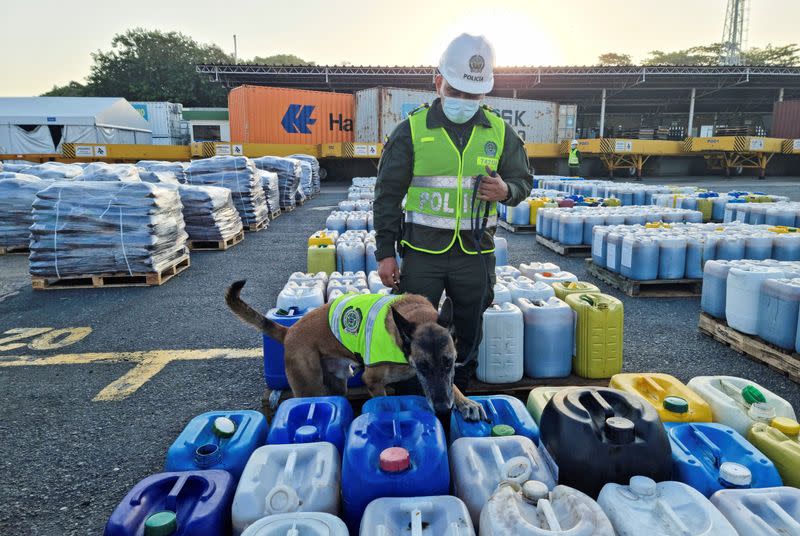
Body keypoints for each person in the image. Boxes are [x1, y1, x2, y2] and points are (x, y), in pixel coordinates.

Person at [372, 33, 533, 388]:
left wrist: (507, 190)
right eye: (456, 92)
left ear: (484, 93)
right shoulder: (411, 131)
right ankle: (414, 388)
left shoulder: (500, 132)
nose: (463, 100)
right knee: (411, 330)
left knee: (469, 324)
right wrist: (385, 253)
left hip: (475, 254)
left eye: (472, 95)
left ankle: (461, 383)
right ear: (438, 81)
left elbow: (524, 182)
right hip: (423, 252)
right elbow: (386, 196)